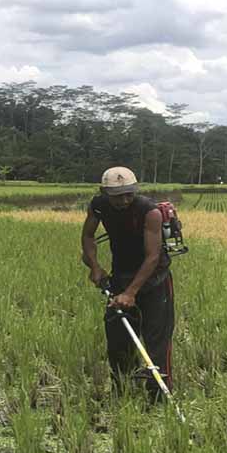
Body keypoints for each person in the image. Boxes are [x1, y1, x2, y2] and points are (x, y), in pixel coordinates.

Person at [81, 166, 175, 400]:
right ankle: (121, 390)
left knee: (156, 339)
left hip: (155, 280)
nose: (124, 200)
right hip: (121, 275)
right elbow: (88, 236)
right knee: (118, 336)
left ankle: (159, 395)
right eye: (117, 196)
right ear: (105, 193)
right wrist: (95, 267)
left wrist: (131, 292)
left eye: (129, 194)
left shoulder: (148, 211)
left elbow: (153, 256)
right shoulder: (98, 205)